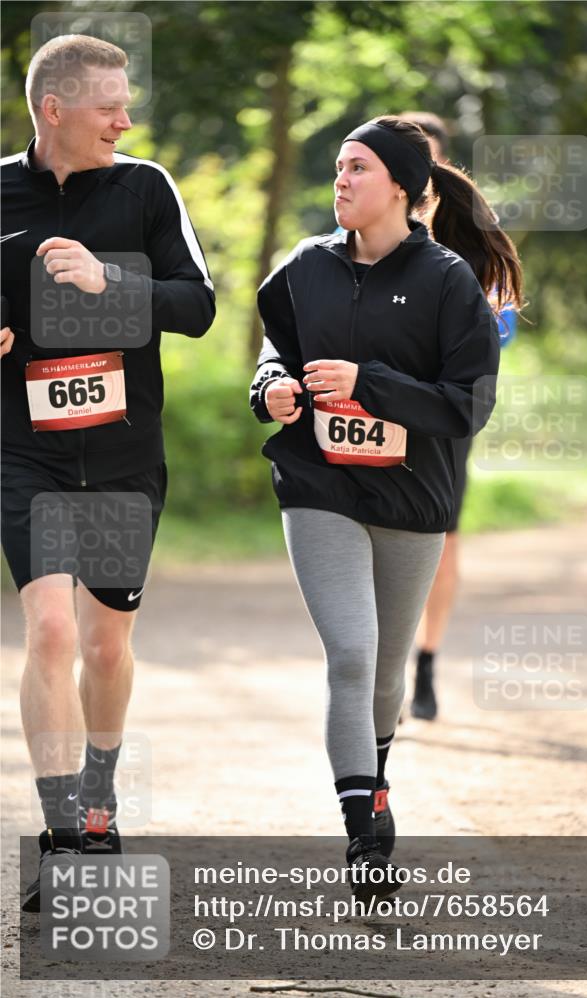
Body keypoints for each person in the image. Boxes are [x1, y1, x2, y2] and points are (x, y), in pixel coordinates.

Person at [250, 115, 522, 903]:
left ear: (400, 186)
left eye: (356, 167)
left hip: (411, 496)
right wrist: (270, 389)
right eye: (336, 166)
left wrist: (367, 383)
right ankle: (365, 835)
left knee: (384, 671)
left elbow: (466, 406)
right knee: (352, 652)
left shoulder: (445, 281)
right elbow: (275, 348)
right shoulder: (304, 266)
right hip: (318, 486)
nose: (339, 179)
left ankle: (375, 781)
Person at [1, 35, 215, 911]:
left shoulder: (146, 187)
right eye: (109, 107)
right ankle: (59, 835)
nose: (126, 120)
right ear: (54, 109)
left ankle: (99, 795)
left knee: (103, 644)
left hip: (124, 450)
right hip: (23, 447)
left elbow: (197, 306)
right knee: (50, 632)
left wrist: (105, 284)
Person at [401, 111, 517, 720]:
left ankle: (425, 663)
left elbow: (505, 329)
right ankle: (382, 664)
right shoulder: (361, 230)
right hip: (368, 410)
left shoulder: (471, 246)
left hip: (445, 414)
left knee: (441, 541)